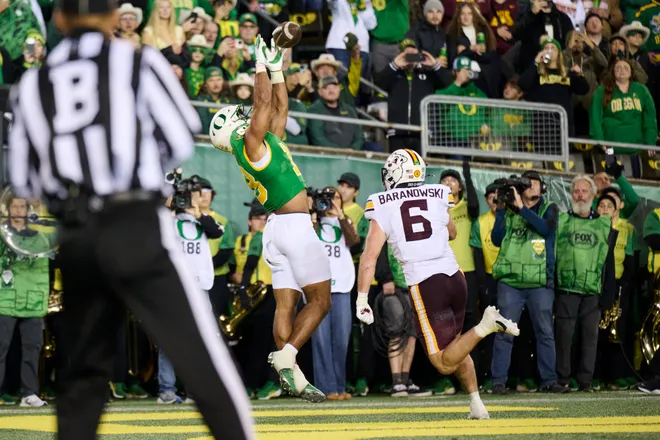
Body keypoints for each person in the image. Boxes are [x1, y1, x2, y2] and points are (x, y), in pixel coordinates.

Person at [8, 0, 253, 438]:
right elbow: (180, 137)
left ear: (59, 19)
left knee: (81, 378)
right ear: (110, 18)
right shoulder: (138, 61)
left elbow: (24, 178)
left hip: (78, 232)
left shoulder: (33, 83)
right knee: (202, 358)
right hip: (135, 220)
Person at [209, 35, 331, 403]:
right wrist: (259, 65)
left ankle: (291, 377)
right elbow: (262, 102)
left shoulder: (260, 145)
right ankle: (287, 355)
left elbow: (279, 106)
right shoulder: (250, 144)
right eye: (237, 116)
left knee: (285, 305)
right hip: (293, 226)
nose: (243, 113)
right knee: (321, 302)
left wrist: (277, 69)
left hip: (276, 229)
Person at [355, 149, 520, 419]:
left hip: (425, 284)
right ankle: (476, 403)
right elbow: (453, 232)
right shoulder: (438, 193)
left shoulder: (382, 202)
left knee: (443, 363)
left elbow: (369, 257)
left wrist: (362, 299)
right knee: (456, 344)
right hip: (455, 278)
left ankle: (485, 325)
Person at [490, 171, 568, 393]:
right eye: (527, 183)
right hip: (510, 281)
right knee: (504, 333)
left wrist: (522, 210)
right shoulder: (509, 210)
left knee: (544, 332)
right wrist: (502, 211)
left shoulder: (549, 208)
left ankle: (549, 380)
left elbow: (546, 229)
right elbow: (496, 239)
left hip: (540, 282)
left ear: (542, 188)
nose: (532, 186)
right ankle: (498, 381)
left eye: (536, 183)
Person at [554, 175, 617, 392]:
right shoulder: (561, 220)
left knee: (590, 338)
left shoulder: (603, 224)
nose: (580, 195)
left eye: (584, 191)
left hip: (592, 290)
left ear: (592, 195)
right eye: (576, 191)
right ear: (572, 195)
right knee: (564, 338)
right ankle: (562, 379)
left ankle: (585, 380)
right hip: (566, 287)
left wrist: (608, 291)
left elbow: (608, 261)